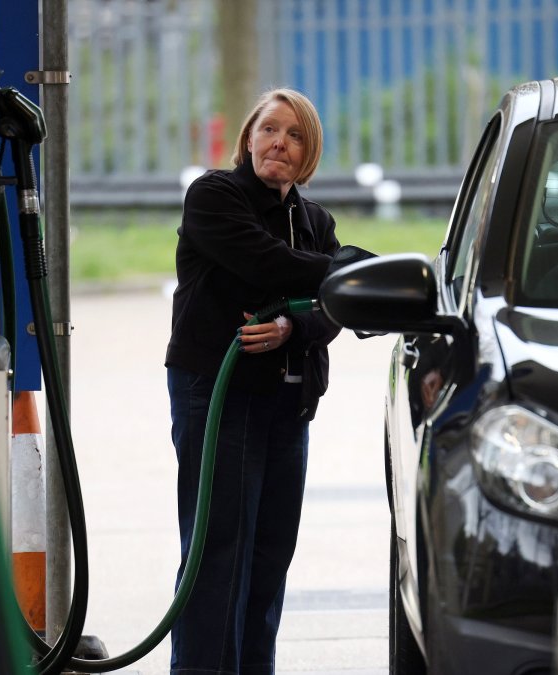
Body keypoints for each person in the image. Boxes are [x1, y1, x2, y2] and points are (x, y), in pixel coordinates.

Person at [164, 88, 341, 675]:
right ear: (248, 137)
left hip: (288, 409)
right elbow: (269, 263)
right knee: (217, 560)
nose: (278, 143)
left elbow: (334, 310)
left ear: (308, 153)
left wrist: (295, 324)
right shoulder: (215, 196)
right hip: (219, 399)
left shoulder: (316, 222)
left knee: (267, 563)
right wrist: (345, 270)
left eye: (294, 136)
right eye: (269, 129)